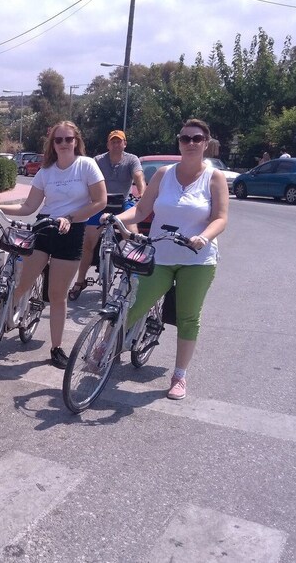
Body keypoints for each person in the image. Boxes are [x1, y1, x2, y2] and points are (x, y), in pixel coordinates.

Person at [108, 118, 228, 400]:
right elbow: (140, 211)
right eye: (184, 138)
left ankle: (179, 376)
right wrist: (114, 218)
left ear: (206, 143)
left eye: (196, 139)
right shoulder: (163, 174)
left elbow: (221, 218)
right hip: (159, 254)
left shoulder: (214, 177)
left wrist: (204, 237)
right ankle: (107, 345)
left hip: (197, 259)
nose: (190, 143)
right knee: (135, 303)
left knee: (188, 318)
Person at [0, 121, 106, 368]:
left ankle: (56, 348)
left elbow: (100, 201)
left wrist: (71, 217)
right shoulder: (46, 171)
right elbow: (29, 207)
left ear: (76, 141)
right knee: (22, 283)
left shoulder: (86, 166)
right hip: (44, 228)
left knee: (57, 295)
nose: (64, 143)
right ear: (52, 143)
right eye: (58, 139)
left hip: (72, 230)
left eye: (68, 139)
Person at [69, 129, 146, 301]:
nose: (116, 144)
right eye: (113, 141)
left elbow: (139, 176)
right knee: (87, 242)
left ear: (124, 144)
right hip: (100, 203)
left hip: (122, 203)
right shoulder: (98, 160)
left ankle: (131, 278)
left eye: (119, 141)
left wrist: (142, 194)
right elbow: (88, 179)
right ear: (108, 145)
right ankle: (80, 281)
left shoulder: (132, 159)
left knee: (132, 237)